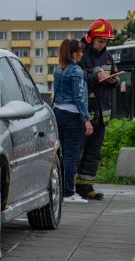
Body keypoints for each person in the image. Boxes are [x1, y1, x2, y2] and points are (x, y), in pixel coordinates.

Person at [76, 19, 119, 200]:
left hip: (102, 113)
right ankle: (69, 186)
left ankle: (86, 188)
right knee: (78, 151)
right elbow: (75, 76)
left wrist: (113, 80)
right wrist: (95, 75)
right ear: (91, 37)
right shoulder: (80, 53)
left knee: (94, 152)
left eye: (106, 42)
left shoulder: (107, 56)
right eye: (100, 41)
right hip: (84, 113)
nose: (103, 45)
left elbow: (113, 77)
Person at [53, 39, 93, 203]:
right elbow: (79, 97)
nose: (82, 54)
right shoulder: (76, 71)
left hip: (58, 113)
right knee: (71, 155)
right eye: (80, 51)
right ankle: (69, 193)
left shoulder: (58, 69)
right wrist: (86, 119)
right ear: (74, 53)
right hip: (72, 116)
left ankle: (60, 190)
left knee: (61, 154)